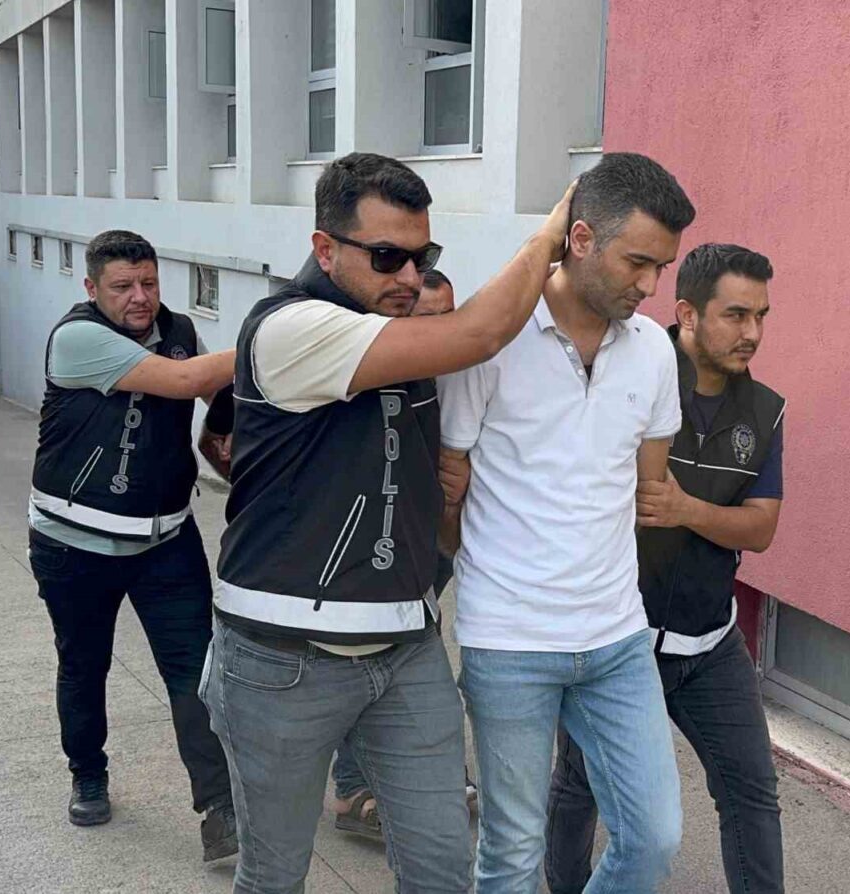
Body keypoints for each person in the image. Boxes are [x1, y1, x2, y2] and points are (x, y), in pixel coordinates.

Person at [201, 152, 574, 894]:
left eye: (421, 257)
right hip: (282, 657)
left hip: (405, 648)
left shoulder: (399, 336)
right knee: (274, 875)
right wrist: (551, 234)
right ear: (324, 249)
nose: (409, 276)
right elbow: (479, 333)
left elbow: (438, 514)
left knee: (441, 869)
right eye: (386, 257)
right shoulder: (292, 326)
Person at [437, 152, 696, 894]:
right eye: (638, 262)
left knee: (653, 838)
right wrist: (489, 577)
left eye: (662, 267)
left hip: (616, 638)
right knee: (512, 854)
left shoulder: (653, 351)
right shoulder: (491, 337)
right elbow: (449, 488)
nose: (650, 286)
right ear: (579, 238)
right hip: (509, 640)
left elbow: (646, 487)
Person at [544, 244, 786, 893]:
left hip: (710, 644)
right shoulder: (624, 377)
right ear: (687, 313)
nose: (752, 332)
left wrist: (686, 510)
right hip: (617, 639)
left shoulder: (764, 412)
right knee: (581, 785)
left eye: (761, 316)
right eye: (736, 315)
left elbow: (761, 527)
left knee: (751, 792)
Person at [26, 230, 239, 860]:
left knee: (197, 672)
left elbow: (213, 390)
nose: (140, 297)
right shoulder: (77, 338)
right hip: (74, 545)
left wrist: (233, 425)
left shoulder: (179, 329)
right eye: (122, 287)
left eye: (149, 282)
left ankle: (221, 807)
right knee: (84, 664)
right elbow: (184, 379)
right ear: (92, 288)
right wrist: (270, 340)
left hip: (166, 540)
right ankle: (88, 774)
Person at [329, 267, 472, 843]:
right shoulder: (374, 373)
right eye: (424, 319)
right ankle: (352, 787)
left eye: (448, 317)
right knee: (365, 662)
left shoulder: (462, 376)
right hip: (371, 551)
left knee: (408, 663)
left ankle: (426, 776)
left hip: (435, 544)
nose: (439, 331)